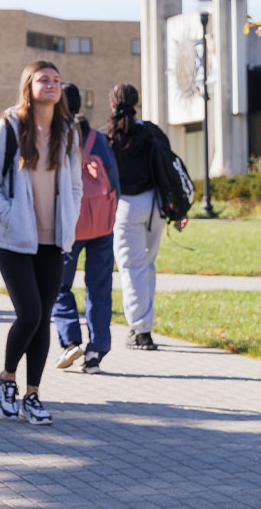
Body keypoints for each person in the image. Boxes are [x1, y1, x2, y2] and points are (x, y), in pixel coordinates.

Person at [0, 60, 82, 426]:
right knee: (30, 314)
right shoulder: (7, 128)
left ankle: (33, 395)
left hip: (54, 241)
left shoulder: (68, 131)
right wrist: (13, 219)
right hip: (14, 241)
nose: (52, 85)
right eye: (43, 79)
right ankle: (7, 379)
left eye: (56, 80)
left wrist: (70, 220)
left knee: (44, 318)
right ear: (29, 85)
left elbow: (75, 185)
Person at [108, 83, 184, 351]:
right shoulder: (151, 132)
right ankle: (144, 326)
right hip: (154, 206)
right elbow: (169, 168)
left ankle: (141, 331)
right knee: (147, 266)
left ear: (111, 104)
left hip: (126, 207)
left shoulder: (110, 136)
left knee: (132, 269)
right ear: (137, 102)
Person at [51, 83, 119, 374]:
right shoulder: (96, 138)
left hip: (69, 223)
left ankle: (70, 342)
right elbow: (115, 181)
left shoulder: (55, 139)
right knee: (99, 288)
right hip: (101, 224)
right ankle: (95, 352)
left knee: (58, 285)